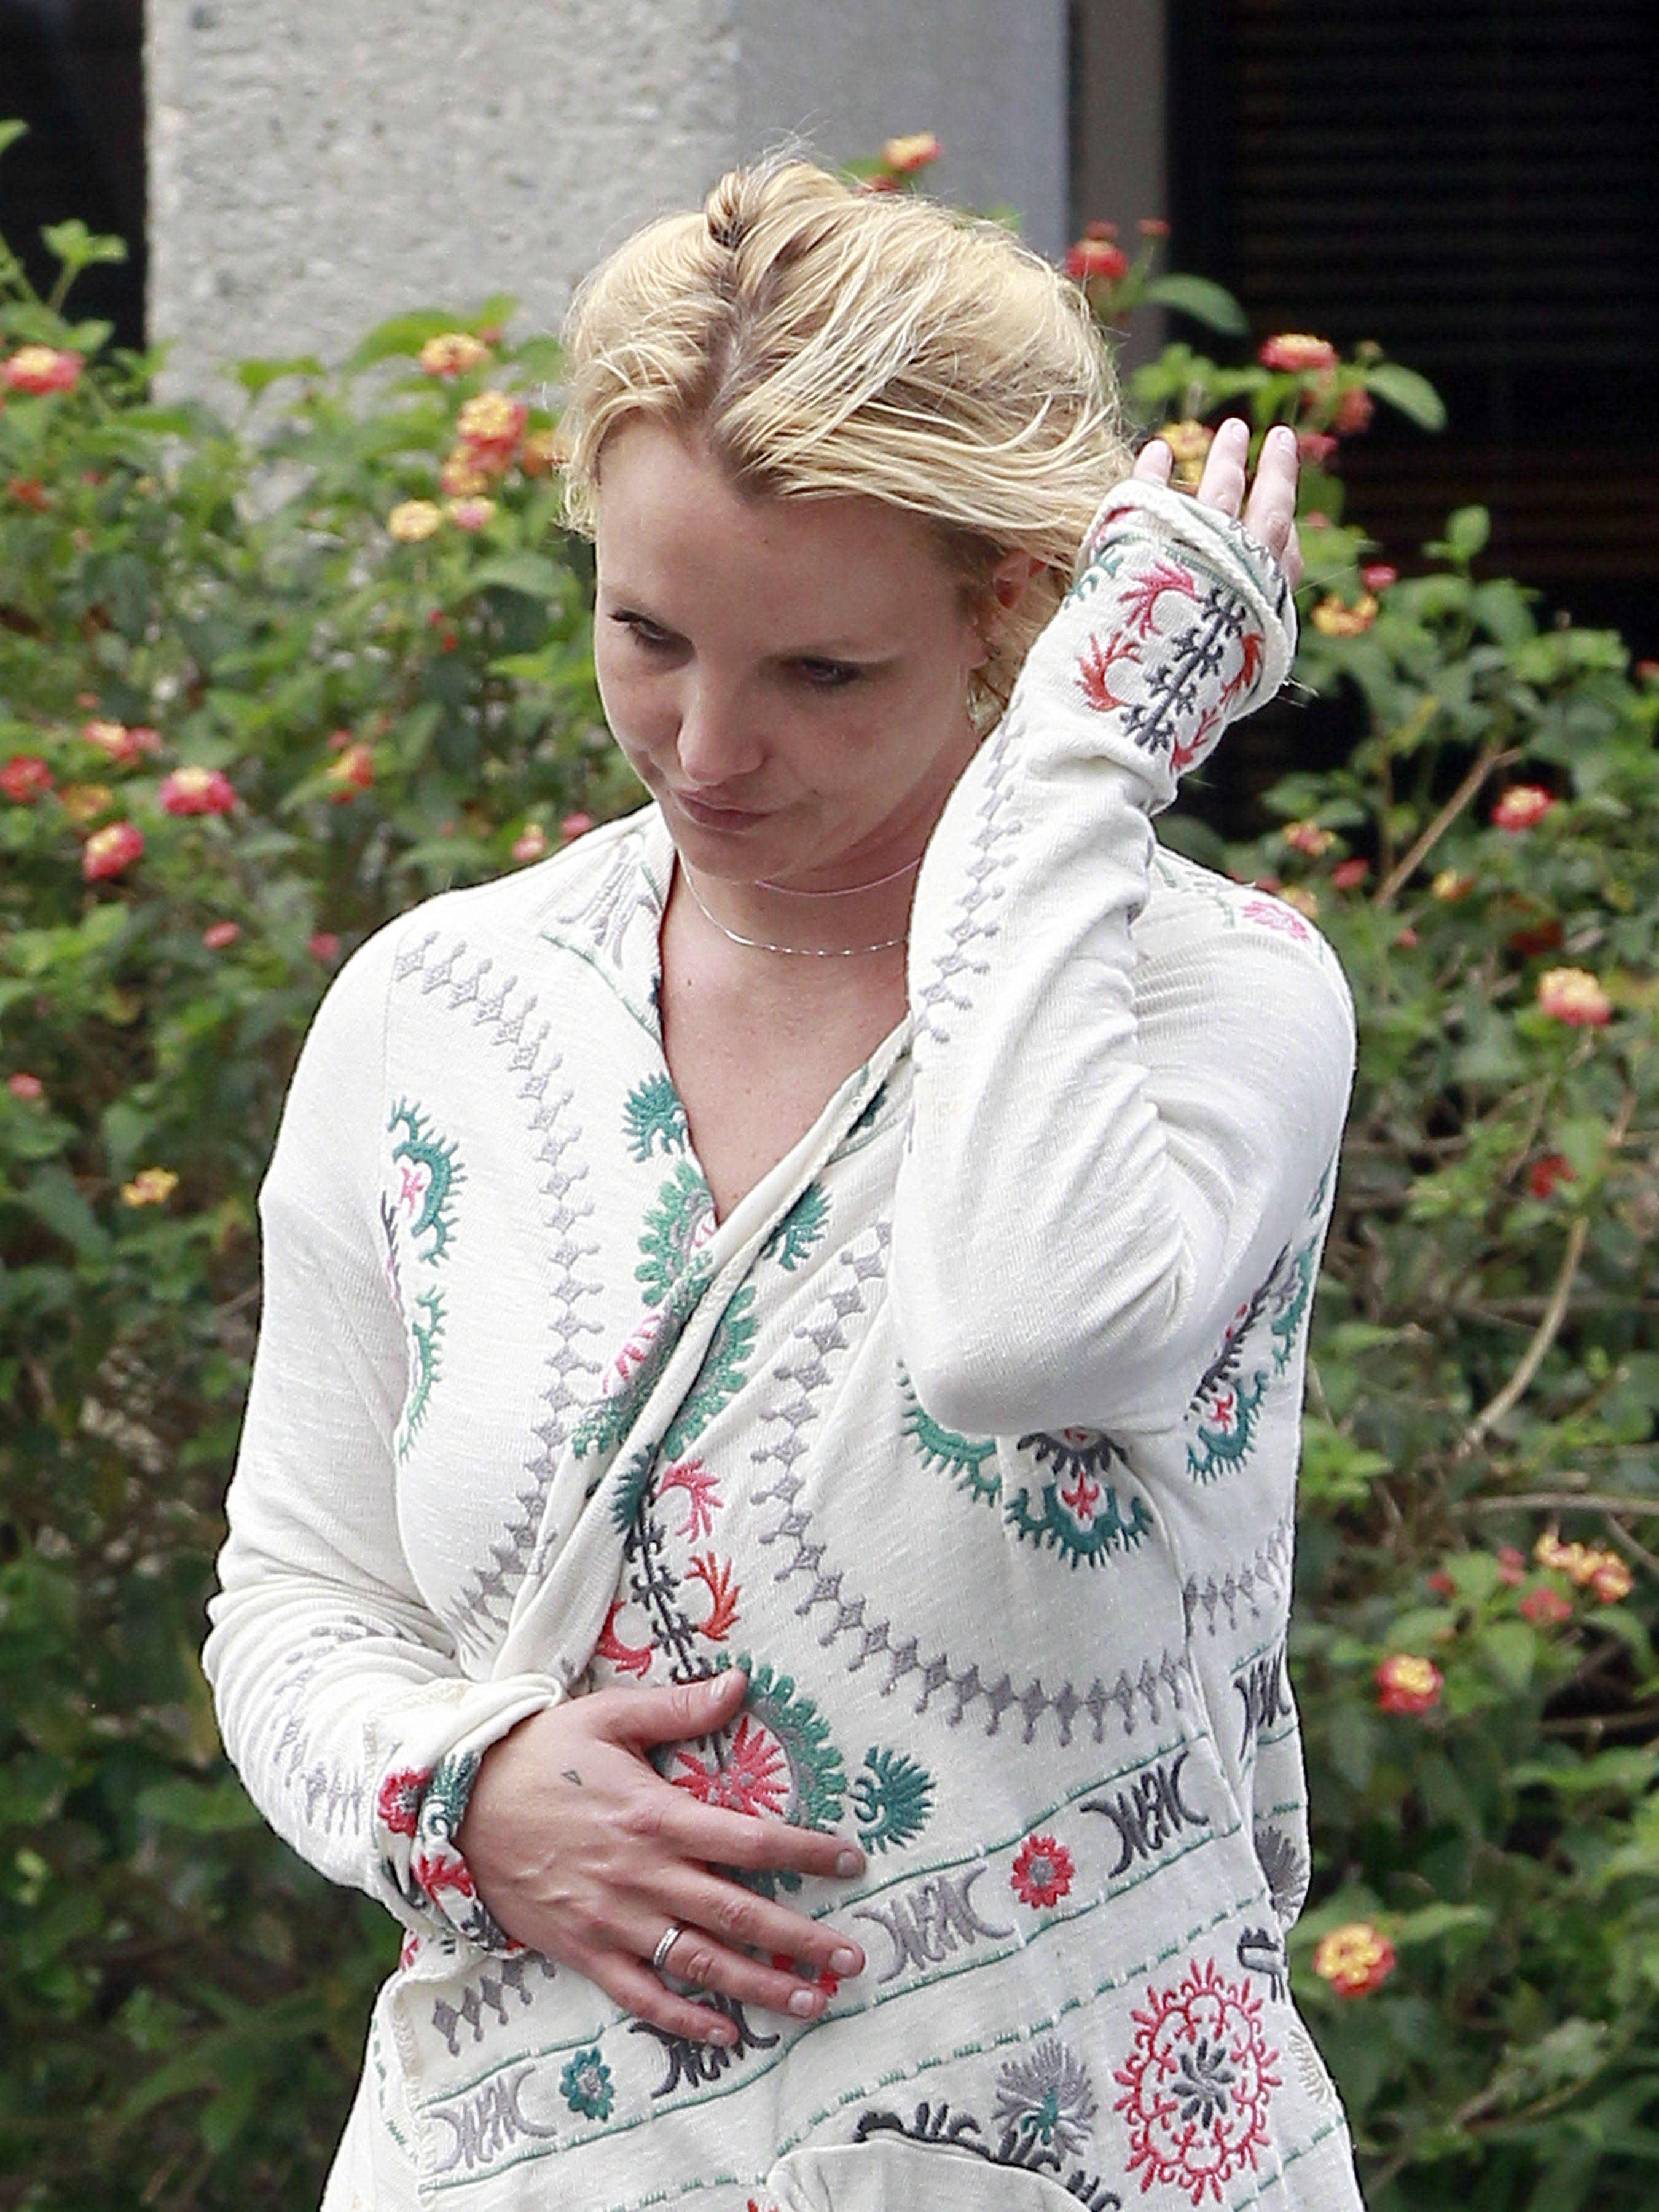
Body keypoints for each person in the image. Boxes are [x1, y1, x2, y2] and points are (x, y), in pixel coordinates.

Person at [206, 158, 1363, 2212]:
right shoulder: (439, 1009)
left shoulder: (1206, 995)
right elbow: (299, 1595)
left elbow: (1026, 1335)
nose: (705, 745)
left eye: (820, 675)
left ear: (1011, 611)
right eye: (644, 634)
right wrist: (460, 1797)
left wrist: (1083, 761)